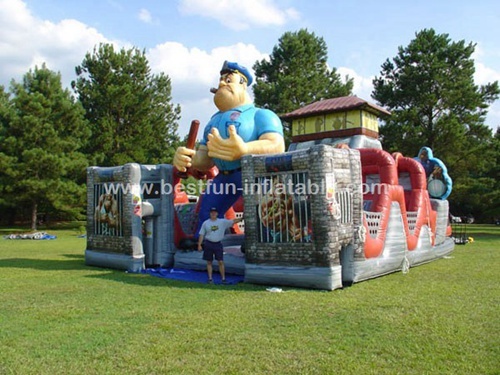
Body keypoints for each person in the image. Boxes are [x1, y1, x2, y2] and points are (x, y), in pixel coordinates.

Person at [173, 61, 285, 239]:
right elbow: (205, 159)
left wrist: (245, 149)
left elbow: (277, 145)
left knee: (261, 209)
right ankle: (204, 244)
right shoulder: (213, 121)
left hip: (255, 175)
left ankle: (264, 243)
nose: (221, 84)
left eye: (228, 79)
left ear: (242, 83)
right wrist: (189, 158)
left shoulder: (261, 114)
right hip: (224, 176)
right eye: (220, 81)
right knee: (208, 208)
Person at [197, 207, 243, 284]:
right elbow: (201, 234)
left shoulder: (222, 222)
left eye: (215, 212)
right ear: (210, 214)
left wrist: (241, 219)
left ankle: (223, 278)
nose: (213, 214)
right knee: (209, 262)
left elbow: (232, 221)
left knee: (220, 261)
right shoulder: (206, 223)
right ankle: (210, 278)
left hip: (218, 244)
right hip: (209, 243)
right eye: (212, 212)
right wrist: (199, 245)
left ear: (217, 214)